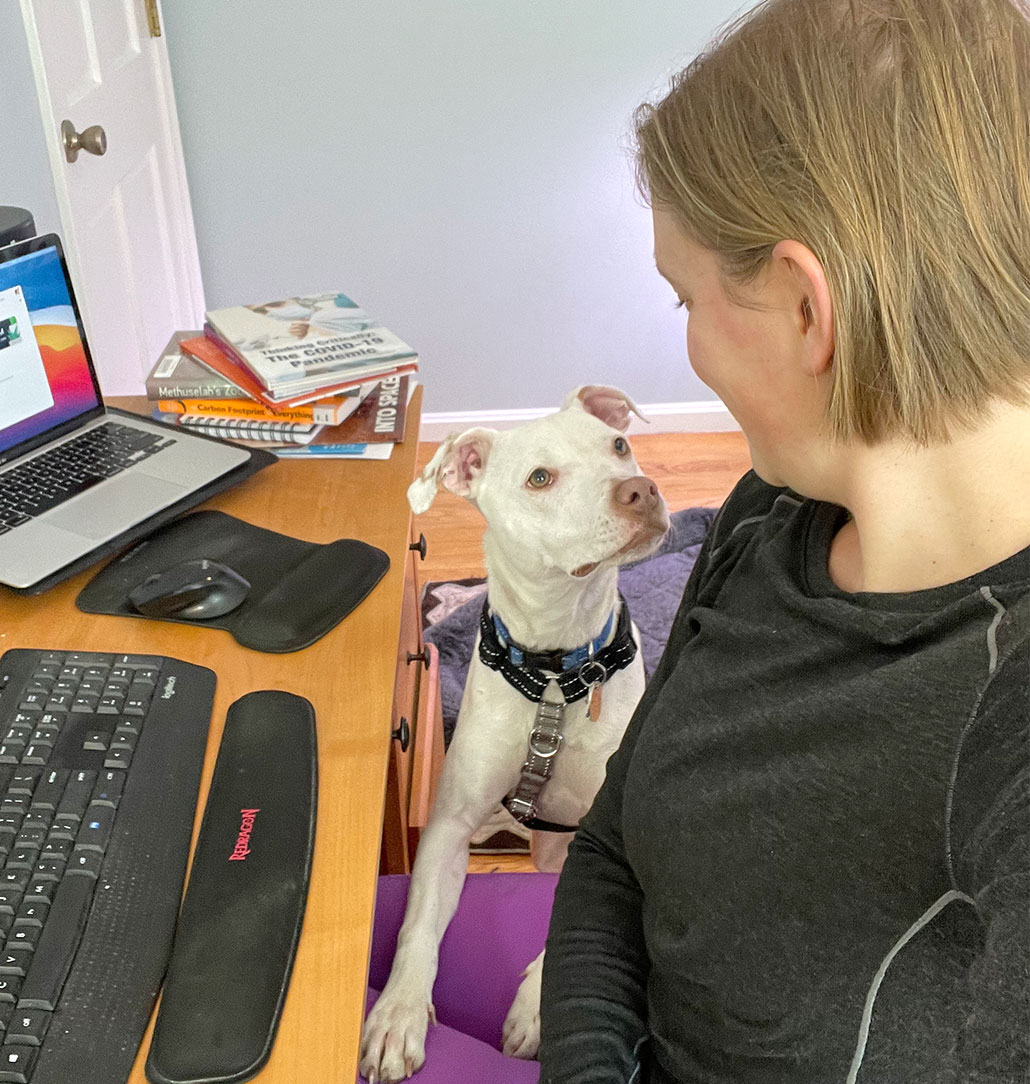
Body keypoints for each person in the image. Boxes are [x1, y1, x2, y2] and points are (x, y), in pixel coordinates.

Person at [538, 0, 1030, 1081]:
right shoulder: (773, 507)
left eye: (686, 299)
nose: (689, 347)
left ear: (808, 307)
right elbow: (617, 839)